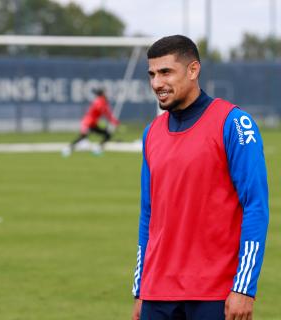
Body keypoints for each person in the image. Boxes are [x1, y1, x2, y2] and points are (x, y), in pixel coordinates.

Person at [131, 35, 269, 320]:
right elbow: (148, 214)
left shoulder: (234, 123)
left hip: (214, 294)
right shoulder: (152, 133)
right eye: (152, 74)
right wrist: (141, 288)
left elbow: (255, 206)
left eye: (166, 72)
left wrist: (244, 288)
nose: (157, 83)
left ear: (193, 70)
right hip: (157, 294)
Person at [62, 88, 119, 156]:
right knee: (83, 137)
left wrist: (113, 120)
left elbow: (106, 112)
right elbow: (105, 112)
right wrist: (114, 121)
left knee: (107, 135)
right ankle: (68, 148)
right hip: (88, 123)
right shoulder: (99, 102)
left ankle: (97, 149)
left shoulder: (101, 101)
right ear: (102, 94)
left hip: (92, 124)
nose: (106, 95)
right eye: (105, 93)